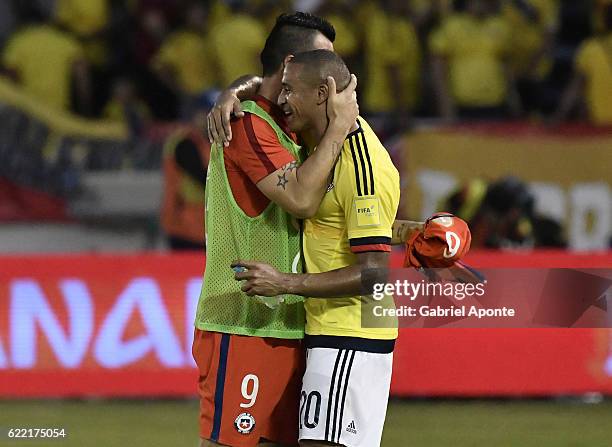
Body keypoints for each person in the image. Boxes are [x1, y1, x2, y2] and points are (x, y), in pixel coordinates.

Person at [193, 12, 359, 447]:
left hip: (288, 322)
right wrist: (340, 126)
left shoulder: (292, 130)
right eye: (323, 59)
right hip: (244, 322)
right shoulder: (246, 125)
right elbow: (302, 199)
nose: (334, 75)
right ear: (289, 65)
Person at [232, 50, 400, 447]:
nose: (283, 99)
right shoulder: (322, 149)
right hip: (331, 331)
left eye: (291, 90)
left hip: (351, 335)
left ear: (324, 92)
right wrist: (231, 92)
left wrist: (285, 282)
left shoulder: (361, 161)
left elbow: (375, 273)